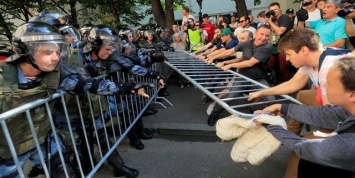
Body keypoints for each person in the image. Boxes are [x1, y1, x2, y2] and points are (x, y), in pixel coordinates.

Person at [248, 28, 351, 178]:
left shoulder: (329, 68)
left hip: (344, 118)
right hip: (338, 109)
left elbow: (329, 116)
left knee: (303, 149)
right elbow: (293, 84)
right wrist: (262, 92)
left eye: (288, 54)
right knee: (302, 95)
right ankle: (294, 127)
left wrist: (277, 124)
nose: (287, 59)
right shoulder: (313, 60)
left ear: (303, 50)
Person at [0, 21, 76, 178]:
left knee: (65, 173)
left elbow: (87, 84)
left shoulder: (55, 73)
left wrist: (131, 87)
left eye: (57, 51)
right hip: (9, 151)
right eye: (48, 52)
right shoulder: (2, 76)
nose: (55, 58)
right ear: (24, 51)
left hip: (41, 138)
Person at [204, 25, 274, 126]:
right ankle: (214, 114)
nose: (263, 37)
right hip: (243, 76)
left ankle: (256, 111)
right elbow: (228, 52)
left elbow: (250, 63)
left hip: (259, 79)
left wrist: (229, 64)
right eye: (261, 34)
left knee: (271, 98)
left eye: (267, 35)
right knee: (230, 96)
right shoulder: (246, 44)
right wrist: (212, 57)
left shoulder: (268, 47)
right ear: (255, 34)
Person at [266, 2, 293, 84]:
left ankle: (286, 84)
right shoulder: (272, 19)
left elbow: (280, 31)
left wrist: (270, 22)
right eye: (271, 10)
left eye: (275, 9)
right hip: (274, 46)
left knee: (283, 67)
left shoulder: (284, 17)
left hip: (285, 45)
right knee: (270, 65)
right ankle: (274, 81)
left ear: (280, 9)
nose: (274, 11)